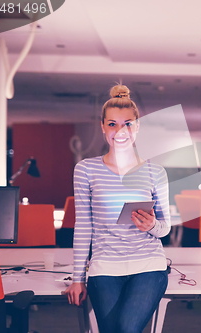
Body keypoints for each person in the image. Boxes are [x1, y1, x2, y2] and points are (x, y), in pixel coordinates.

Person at [65, 84, 171, 333]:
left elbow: (166, 228)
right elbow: (83, 226)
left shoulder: (155, 172)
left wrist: (152, 225)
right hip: (104, 266)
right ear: (103, 127)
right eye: (112, 124)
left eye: (128, 124)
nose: (120, 130)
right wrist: (78, 278)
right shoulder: (86, 170)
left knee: (126, 329)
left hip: (148, 265)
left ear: (137, 127)